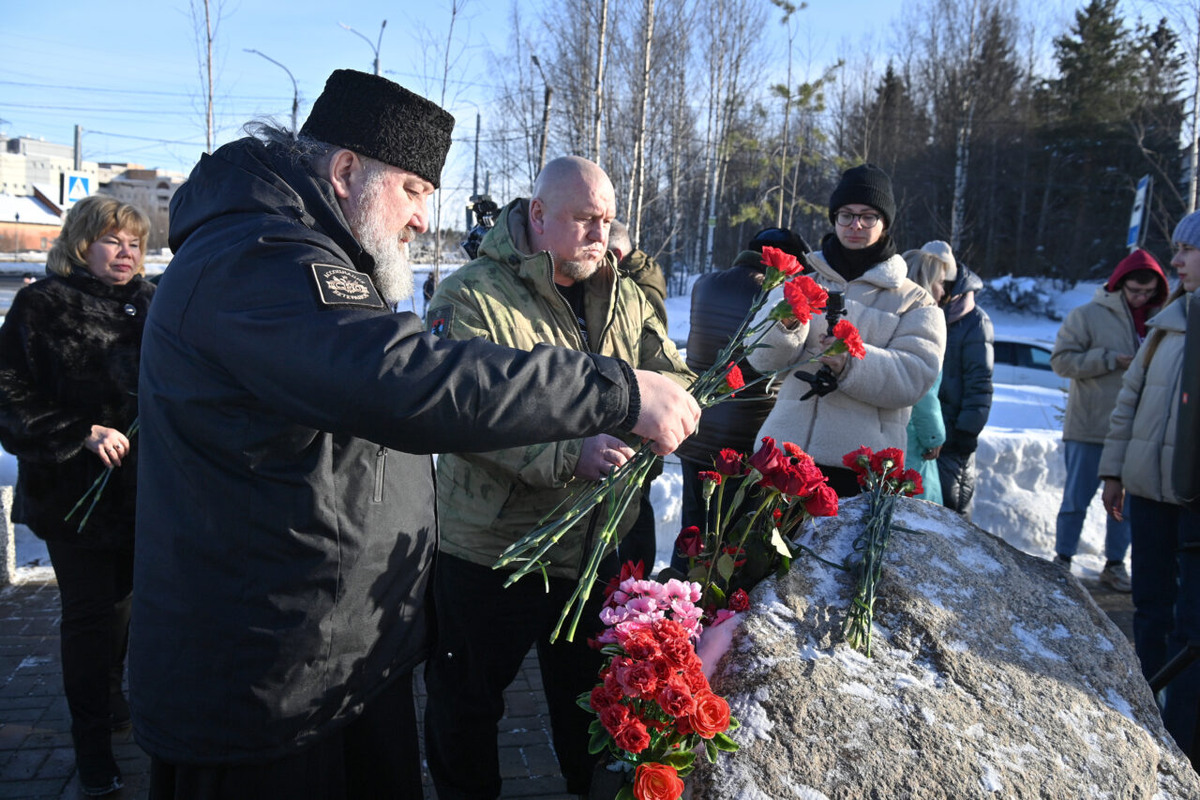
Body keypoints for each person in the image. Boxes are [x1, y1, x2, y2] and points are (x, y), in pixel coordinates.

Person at [129, 70, 699, 800]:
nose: (424, 221)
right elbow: (404, 380)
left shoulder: (303, 251)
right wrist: (611, 392)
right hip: (262, 688)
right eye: (414, 191)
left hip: (334, 664)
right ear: (344, 173)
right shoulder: (256, 259)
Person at [422, 156, 695, 799]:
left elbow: (672, 377)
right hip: (495, 549)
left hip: (603, 542)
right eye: (583, 219)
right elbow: (461, 411)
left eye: (607, 220)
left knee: (600, 706)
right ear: (538, 215)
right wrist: (567, 453)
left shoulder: (626, 294)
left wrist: (661, 418)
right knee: (467, 705)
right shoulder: (471, 296)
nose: (600, 235)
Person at [0, 195, 155, 796]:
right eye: (113, 240)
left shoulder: (150, 302)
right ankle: (92, 750)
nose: (126, 253)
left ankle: (115, 701)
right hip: (76, 496)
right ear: (81, 243)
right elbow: (8, 394)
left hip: (145, 493)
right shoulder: (43, 305)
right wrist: (78, 433)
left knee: (127, 610)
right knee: (90, 617)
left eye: (135, 243)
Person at [746, 163, 945, 497]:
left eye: (868, 216)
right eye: (846, 215)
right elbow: (761, 360)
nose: (855, 225)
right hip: (783, 457)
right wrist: (786, 325)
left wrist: (850, 363)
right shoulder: (800, 281)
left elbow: (914, 377)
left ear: (884, 223)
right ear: (834, 219)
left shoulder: (915, 302)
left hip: (857, 470)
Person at [1100, 212, 1200, 764]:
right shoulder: (1165, 324)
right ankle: (1144, 719)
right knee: (1150, 608)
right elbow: (1129, 404)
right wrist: (1114, 473)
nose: (1177, 261)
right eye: (1178, 249)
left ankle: (1185, 741)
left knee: (1194, 624)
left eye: (1187, 251)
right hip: (1149, 492)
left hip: (1193, 500)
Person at [674, 227, 808, 534]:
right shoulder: (778, 298)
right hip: (747, 439)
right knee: (732, 536)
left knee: (692, 531)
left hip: (695, 427)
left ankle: (679, 581)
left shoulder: (705, 284)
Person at [1051, 248, 1168, 591]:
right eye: (1134, 291)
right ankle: (1062, 561)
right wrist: (1109, 359)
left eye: (1147, 293)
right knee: (1076, 499)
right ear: (1120, 285)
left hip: (1137, 431)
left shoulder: (1163, 319)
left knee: (1126, 504)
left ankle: (1115, 564)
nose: (1140, 298)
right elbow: (1061, 362)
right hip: (1089, 425)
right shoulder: (1087, 315)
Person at [605, 219, 669, 572]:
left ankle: (635, 583)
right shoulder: (639, 277)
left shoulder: (638, 290)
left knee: (634, 513)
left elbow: (646, 357)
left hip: (636, 425)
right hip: (633, 423)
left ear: (616, 254)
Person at [901, 241, 957, 505]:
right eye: (941, 282)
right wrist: (934, 435)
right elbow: (922, 386)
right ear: (926, 281)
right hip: (913, 441)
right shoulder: (925, 320)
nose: (943, 291)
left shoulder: (892, 314)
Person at [936, 261, 994, 516]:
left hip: (955, 432)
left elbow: (980, 381)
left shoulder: (975, 321)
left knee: (953, 506)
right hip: (928, 427)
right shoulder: (927, 312)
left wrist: (967, 430)